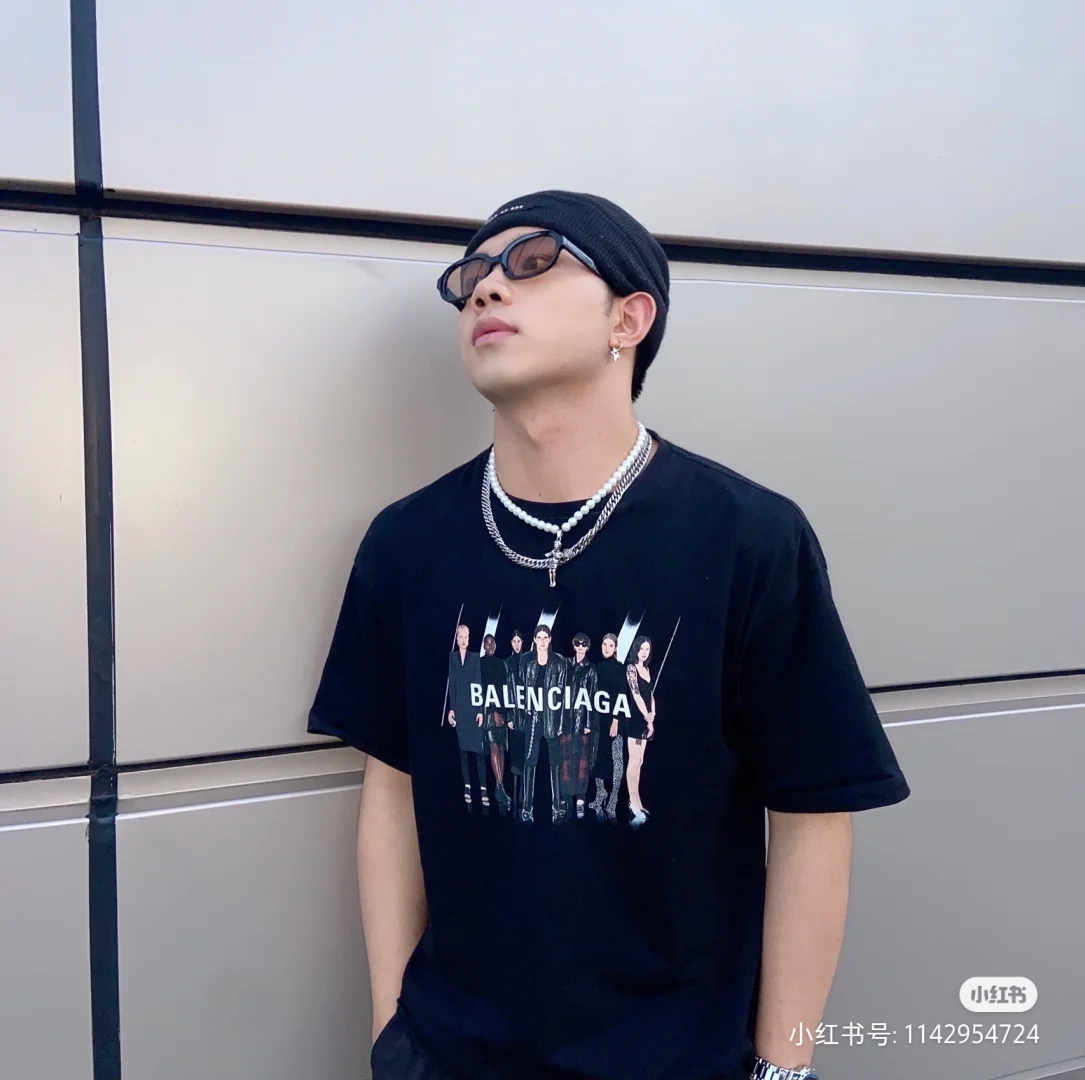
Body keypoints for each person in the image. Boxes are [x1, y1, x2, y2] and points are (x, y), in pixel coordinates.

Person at [309, 189, 910, 1080]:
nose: (485, 289)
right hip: (448, 1055)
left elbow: (812, 814)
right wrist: (392, 1031)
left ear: (628, 319)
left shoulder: (746, 538)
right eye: (470, 277)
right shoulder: (407, 543)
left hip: (680, 1060)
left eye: (532, 263)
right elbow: (392, 789)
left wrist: (783, 1069)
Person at [519, 623, 568, 824]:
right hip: (533, 718)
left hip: (552, 718)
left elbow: (563, 694)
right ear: (534, 640)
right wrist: (522, 717)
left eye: (545, 637)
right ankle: (527, 809)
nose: (541, 641)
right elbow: (521, 690)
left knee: (555, 762)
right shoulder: (526, 660)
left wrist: (561, 722)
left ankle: (557, 808)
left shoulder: (559, 661)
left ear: (550, 640)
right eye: (538, 637)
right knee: (529, 761)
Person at [445, 623, 487, 814]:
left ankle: (483, 787)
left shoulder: (475, 658)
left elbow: (478, 683)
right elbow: (452, 684)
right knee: (463, 751)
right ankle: (468, 785)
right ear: (457, 638)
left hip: (473, 709)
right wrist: (451, 709)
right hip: (460, 710)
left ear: (469, 639)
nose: (463, 640)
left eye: (466, 637)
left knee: (478, 750)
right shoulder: (452, 658)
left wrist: (480, 710)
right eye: (460, 637)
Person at [590, 631, 627, 822]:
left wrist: (616, 720)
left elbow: (621, 695)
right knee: (598, 759)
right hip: (599, 721)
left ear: (615, 648)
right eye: (604, 644)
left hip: (615, 722)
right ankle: (600, 795)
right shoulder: (597, 668)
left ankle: (612, 802)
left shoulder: (620, 669)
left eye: (610, 645)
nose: (607, 648)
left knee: (617, 762)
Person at [561, 631, 598, 819]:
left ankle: (581, 802)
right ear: (574, 645)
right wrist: (559, 720)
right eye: (578, 643)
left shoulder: (590, 669)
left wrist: (589, 722)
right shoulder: (566, 664)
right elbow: (558, 692)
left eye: (584, 644)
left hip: (582, 720)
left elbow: (592, 696)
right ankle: (567, 800)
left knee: (582, 762)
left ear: (588, 647)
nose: (581, 647)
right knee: (566, 761)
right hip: (566, 720)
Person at [624, 634, 655, 827]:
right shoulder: (631, 668)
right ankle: (633, 803)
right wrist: (646, 716)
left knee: (640, 762)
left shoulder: (647, 669)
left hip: (646, 720)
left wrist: (652, 716)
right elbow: (636, 694)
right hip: (636, 718)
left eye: (647, 649)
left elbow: (650, 695)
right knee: (634, 761)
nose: (644, 652)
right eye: (641, 648)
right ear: (636, 649)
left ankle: (638, 803)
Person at [480, 633, 512, 817]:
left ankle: (501, 787)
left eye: (492, 643)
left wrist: (504, 713)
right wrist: (493, 711)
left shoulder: (501, 664)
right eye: (487, 643)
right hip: (488, 712)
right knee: (493, 746)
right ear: (484, 646)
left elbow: (504, 688)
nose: (490, 645)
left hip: (502, 710)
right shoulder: (480, 664)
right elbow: (482, 688)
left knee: (501, 748)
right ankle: (499, 787)